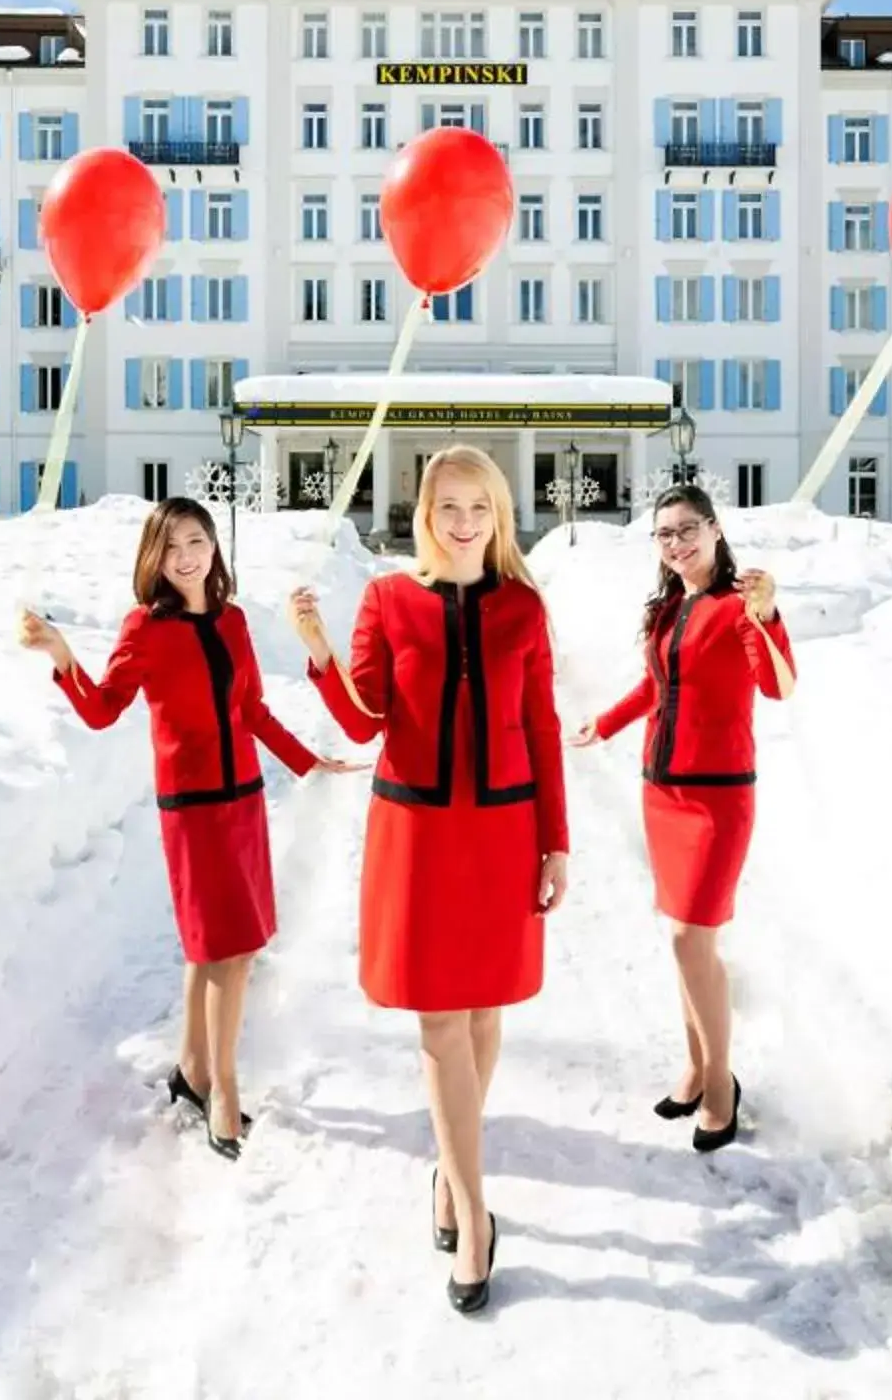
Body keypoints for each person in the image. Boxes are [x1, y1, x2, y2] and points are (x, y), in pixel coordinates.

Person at [289, 446, 567, 1315]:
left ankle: (451, 1176)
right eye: (447, 505)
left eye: (477, 505)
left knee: (485, 1015)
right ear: (425, 512)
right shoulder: (387, 600)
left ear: (498, 512)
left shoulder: (524, 606)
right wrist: (320, 652)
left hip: (503, 830)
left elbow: (542, 724)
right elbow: (365, 720)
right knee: (441, 1020)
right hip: (415, 831)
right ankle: (476, 1217)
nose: (462, 520)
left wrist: (556, 840)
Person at [20, 498, 360, 1161]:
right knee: (223, 947)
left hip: (245, 803)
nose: (186, 555)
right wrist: (62, 655)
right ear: (154, 556)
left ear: (213, 548)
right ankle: (225, 1089)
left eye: (197, 540)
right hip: (194, 810)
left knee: (232, 946)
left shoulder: (232, 622)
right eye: (172, 544)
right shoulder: (144, 630)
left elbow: (253, 710)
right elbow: (101, 710)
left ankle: (192, 1071)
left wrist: (307, 759)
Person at [568, 482, 794, 1155]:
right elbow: (655, 688)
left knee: (689, 942)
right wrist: (604, 724)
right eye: (664, 534)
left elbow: (778, 685)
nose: (676, 543)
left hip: (719, 797)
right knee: (686, 940)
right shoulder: (670, 609)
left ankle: (722, 1086)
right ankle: (697, 1067)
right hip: (661, 792)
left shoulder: (736, 607)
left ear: (715, 529)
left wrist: (768, 615)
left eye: (687, 529)